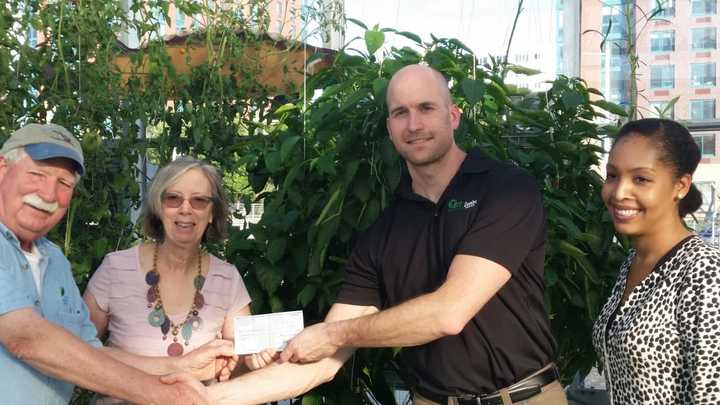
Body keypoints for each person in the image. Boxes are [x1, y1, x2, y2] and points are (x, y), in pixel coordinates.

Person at [193, 64, 567, 405]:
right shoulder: (383, 233)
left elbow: (449, 312)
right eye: (400, 113)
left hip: (524, 397)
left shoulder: (505, 189)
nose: (414, 124)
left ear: (454, 115)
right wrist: (203, 399)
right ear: (389, 128)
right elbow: (323, 363)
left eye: (426, 108)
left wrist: (334, 335)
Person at [0, 123, 231, 405]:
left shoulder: (55, 261)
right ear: (2, 168)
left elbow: (89, 353)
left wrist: (181, 366)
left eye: (64, 184)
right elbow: (27, 338)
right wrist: (162, 394)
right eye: (37, 174)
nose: (49, 194)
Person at [83, 156, 273, 404]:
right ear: (158, 207)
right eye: (173, 198)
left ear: (212, 212)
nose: (186, 209)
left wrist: (254, 359)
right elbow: (76, 352)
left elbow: (236, 365)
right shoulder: (115, 268)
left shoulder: (227, 279)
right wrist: (180, 366)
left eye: (199, 200)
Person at [592, 118, 720, 404]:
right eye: (612, 175)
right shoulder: (633, 262)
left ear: (681, 185)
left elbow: (711, 392)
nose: (619, 192)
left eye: (641, 179)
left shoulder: (705, 271)